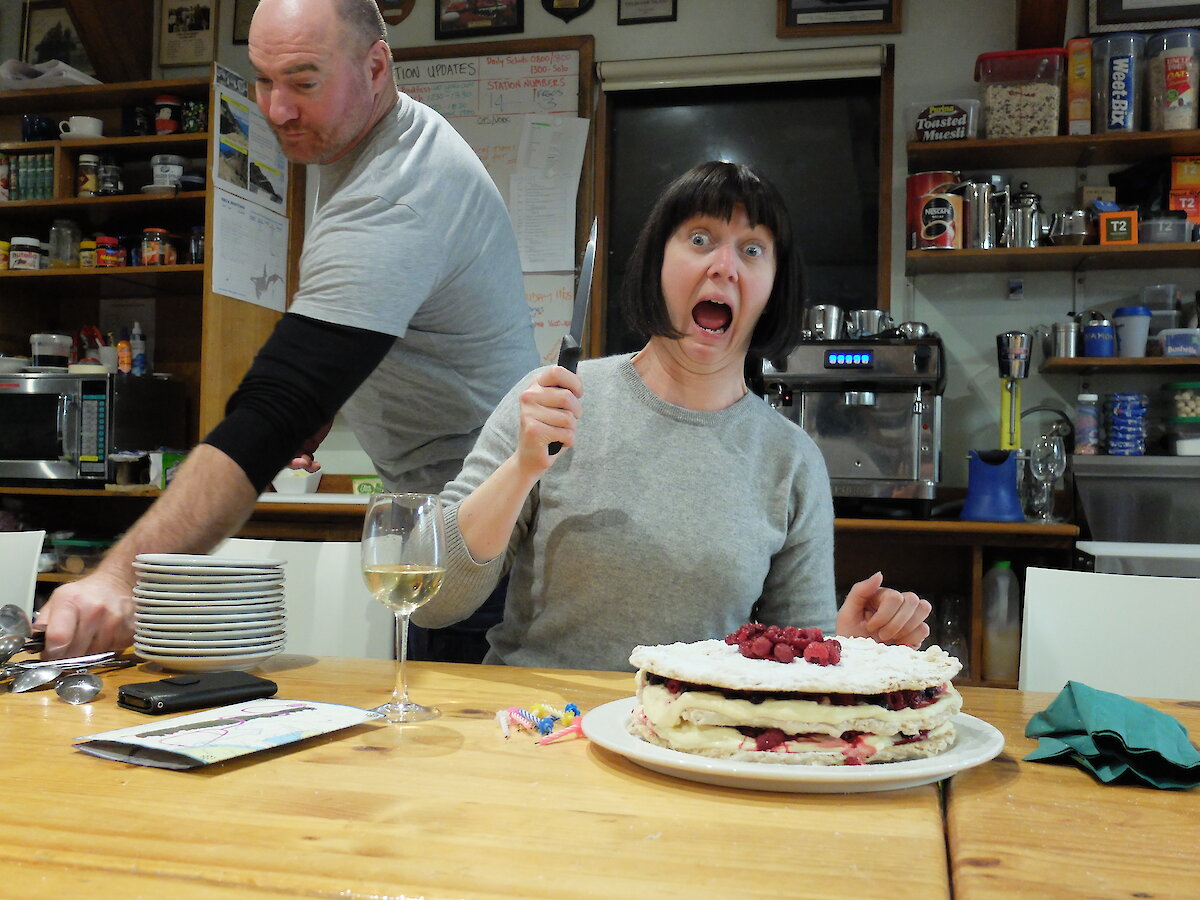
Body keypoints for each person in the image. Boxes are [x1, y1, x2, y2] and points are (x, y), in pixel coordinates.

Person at [35, 0, 538, 659]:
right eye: (264, 80)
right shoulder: (372, 147)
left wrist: (120, 578)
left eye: (303, 81)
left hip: (486, 529)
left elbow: (274, 408)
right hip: (452, 512)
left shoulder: (396, 190)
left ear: (376, 66)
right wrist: (331, 394)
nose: (277, 110)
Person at [413, 160, 930, 671]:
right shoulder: (553, 400)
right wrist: (521, 468)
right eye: (700, 239)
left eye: (752, 250)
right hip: (541, 730)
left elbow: (794, 661)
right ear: (657, 263)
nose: (724, 266)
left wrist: (846, 650)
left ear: (775, 288)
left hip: (697, 740)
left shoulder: (791, 460)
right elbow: (435, 603)